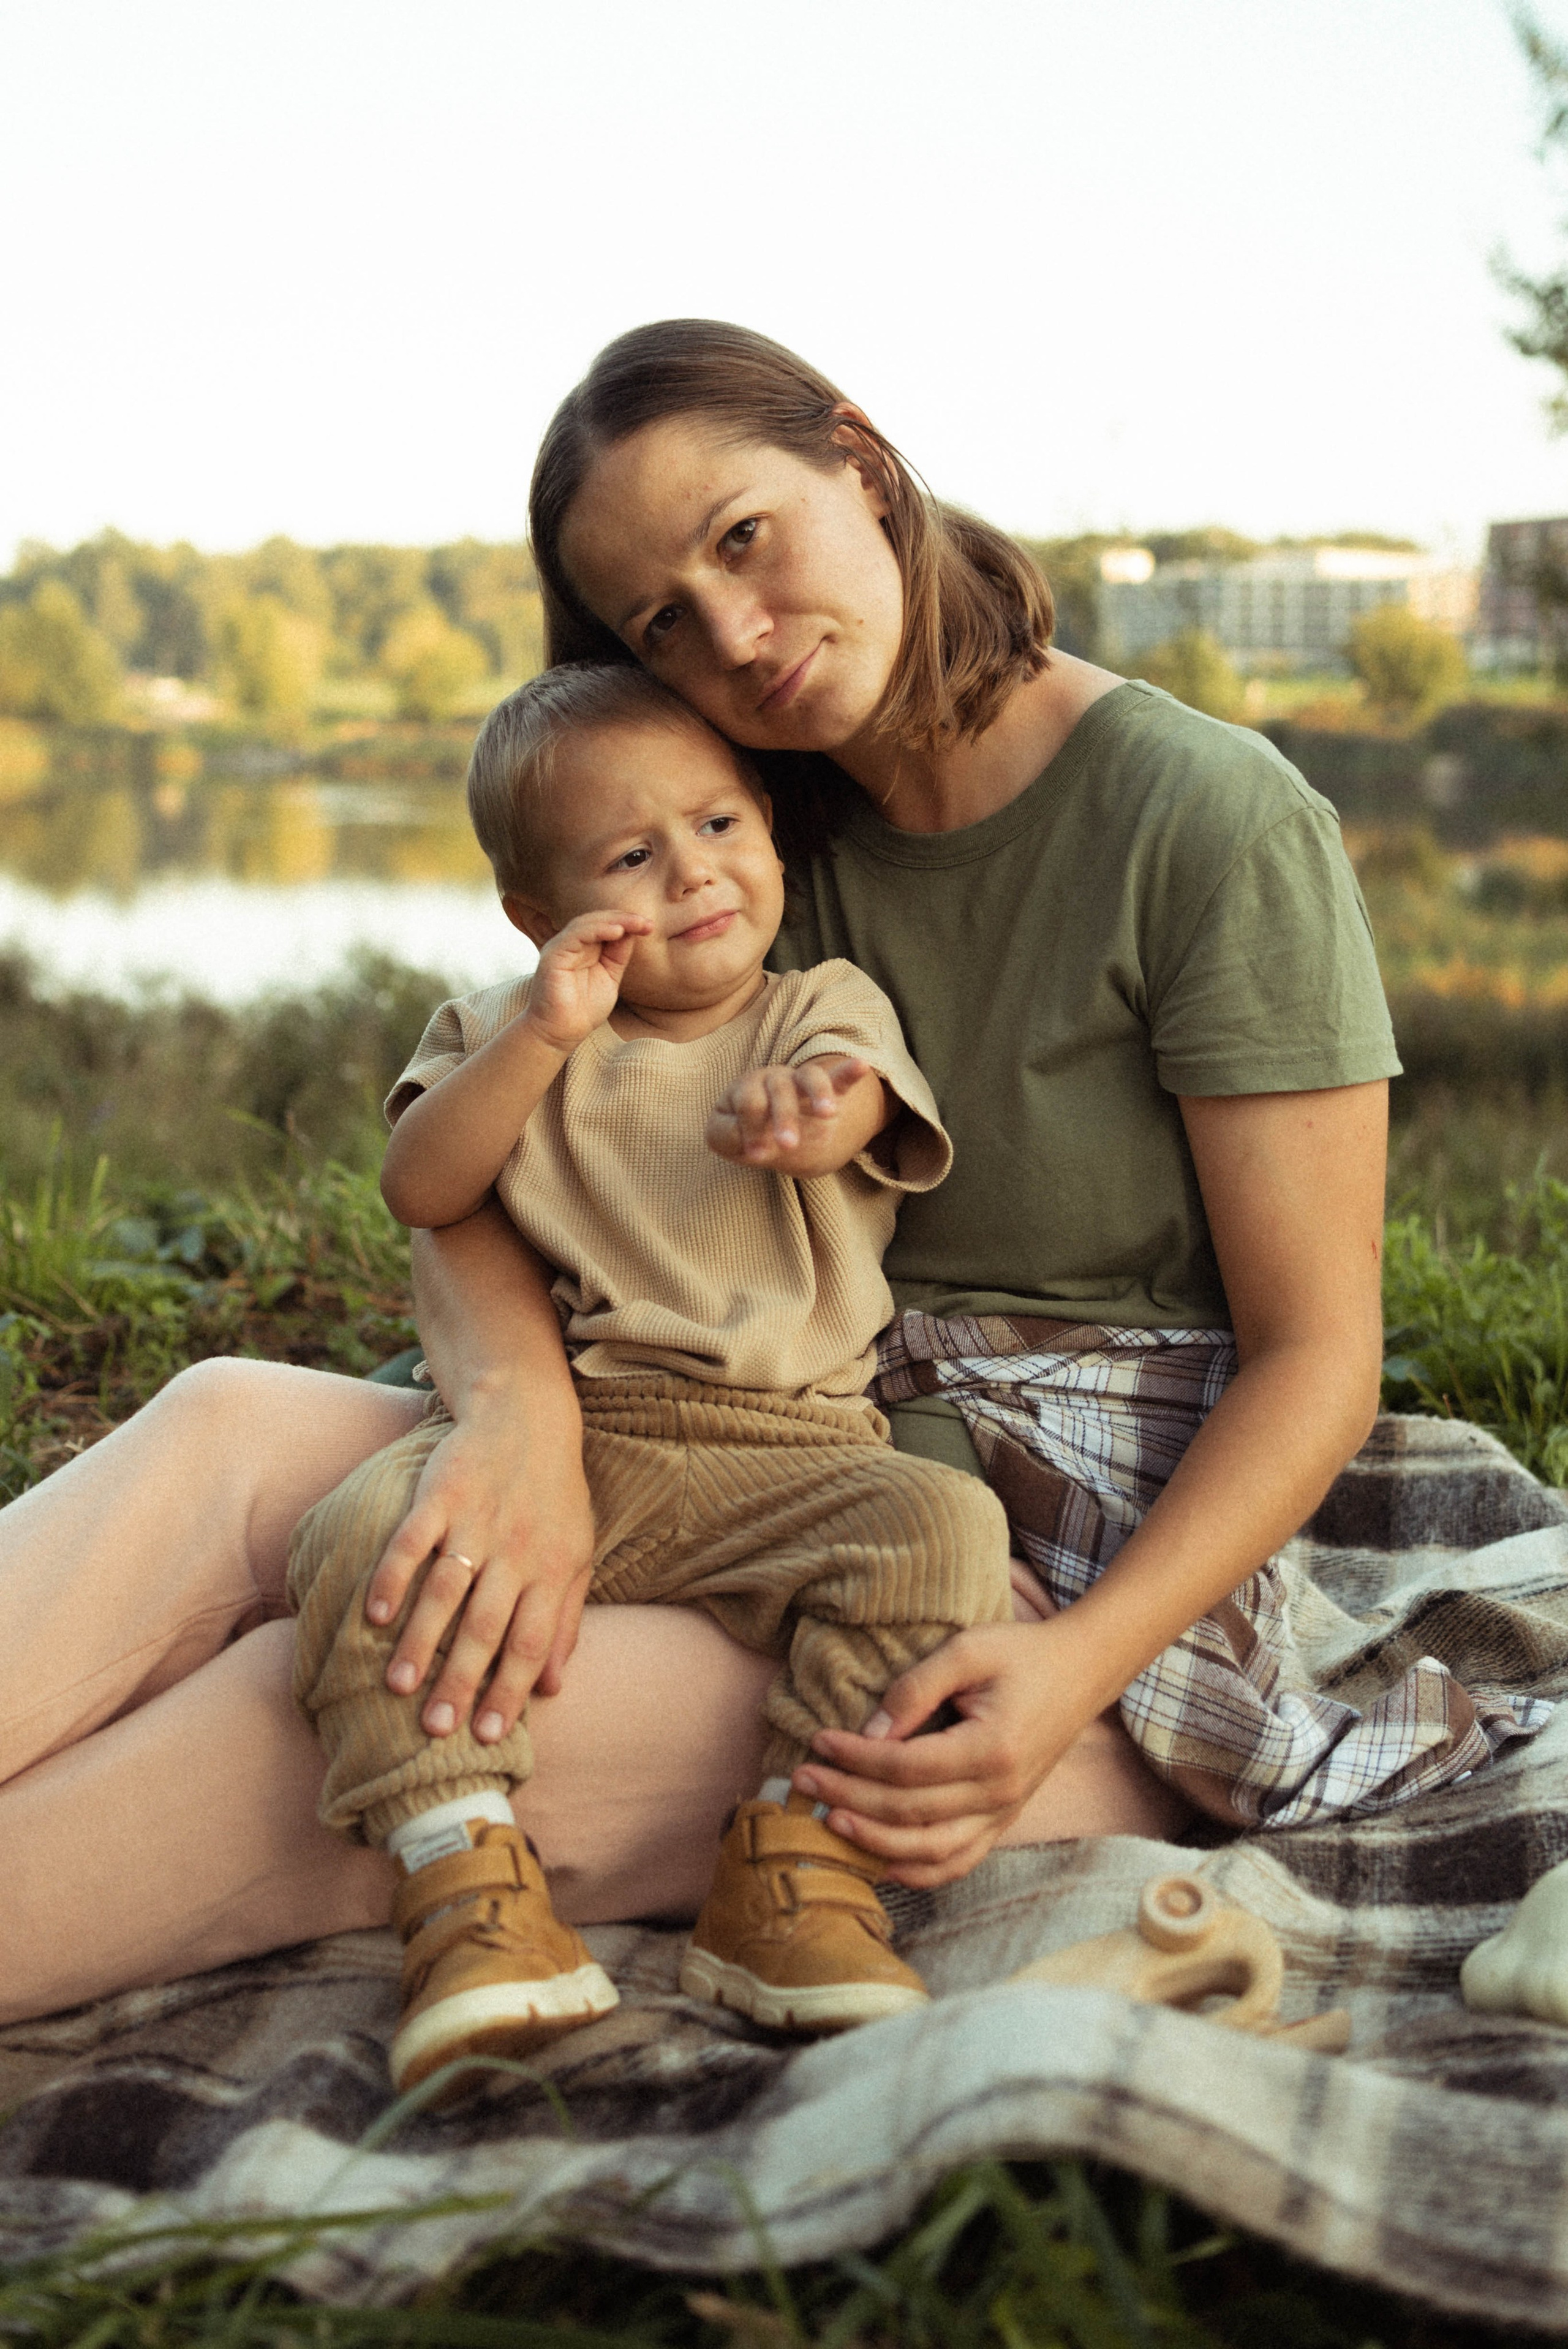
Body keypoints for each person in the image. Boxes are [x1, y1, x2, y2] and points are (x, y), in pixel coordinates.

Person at [0, 317, 1479, 2030]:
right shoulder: (735, 830)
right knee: (220, 1440)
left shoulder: (1209, 823)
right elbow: (502, 1168)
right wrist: (518, 1426)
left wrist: (1073, 1670)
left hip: (1025, 1579)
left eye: (745, 539)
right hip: (710, 1427)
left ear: (860, 458)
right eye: (662, 623)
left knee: (344, 1691)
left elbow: (1320, 1359)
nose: (737, 635)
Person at [286, 660, 1012, 2090]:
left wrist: (812, 1117)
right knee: (364, 1538)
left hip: (792, 1446)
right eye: (631, 857)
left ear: (768, 830)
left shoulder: (817, 1007)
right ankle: (463, 1880)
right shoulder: (500, 1028)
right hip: (583, 1437)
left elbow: (858, 1097)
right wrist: (544, 1033)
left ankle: (794, 1865)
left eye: (719, 824)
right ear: (535, 914)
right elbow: (423, 1187)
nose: (692, 873)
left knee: (944, 1531)